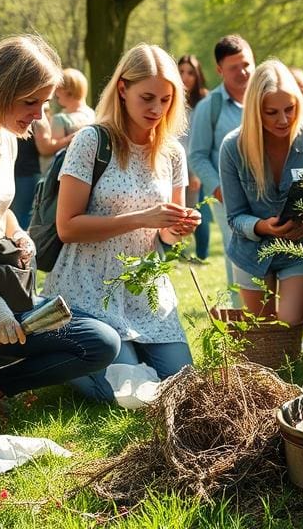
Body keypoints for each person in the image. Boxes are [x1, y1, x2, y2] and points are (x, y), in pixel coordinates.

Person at [0, 36, 120, 468]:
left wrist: (20, 233)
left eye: (45, 103)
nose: (40, 116)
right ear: (1, 88)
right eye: (32, 102)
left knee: (99, 342)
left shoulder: (8, 135)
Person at [44, 44, 200, 403]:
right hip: (88, 288)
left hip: (146, 290)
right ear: (122, 89)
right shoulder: (91, 140)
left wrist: (179, 226)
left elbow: (167, 236)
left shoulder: (173, 151)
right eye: (147, 97)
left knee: (185, 389)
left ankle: (96, 359)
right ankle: (60, 355)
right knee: (132, 396)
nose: (156, 109)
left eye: (165, 100)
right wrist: (141, 219)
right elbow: (67, 226)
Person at [219, 60, 303, 325]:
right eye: (271, 112)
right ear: (255, 111)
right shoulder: (233, 147)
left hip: (299, 247)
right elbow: (234, 216)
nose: (283, 119)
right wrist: (263, 227)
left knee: (288, 326)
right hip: (251, 250)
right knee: (262, 333)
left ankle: (291, 365)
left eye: (290, 109)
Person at [188, 36, 255, 301]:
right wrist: (218, 188)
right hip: (229, 199)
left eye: (247, 64)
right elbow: (197, 155)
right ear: (219, 70)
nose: (243, 72)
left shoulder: (265, 99)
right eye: (234, 67)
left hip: (269, 193)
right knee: (238, 256)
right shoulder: (210, 107)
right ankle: (242, 320)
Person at [178, 54, 212, 261]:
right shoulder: (170, 97)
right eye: (181, 71)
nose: (185, 76)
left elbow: (201, 139)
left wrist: (196, 172)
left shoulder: (203, 101)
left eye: (190, 72)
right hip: (173, 161)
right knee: (178, 209)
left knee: (198, 210)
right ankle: (178, 252)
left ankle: (201, 255)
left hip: (194, 164)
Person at [33, 68, 96, 174]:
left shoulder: (60, 119)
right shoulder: (92, 114)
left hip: (62, 176)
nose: (55, 92)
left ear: (68, 91)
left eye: (58, 89)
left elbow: (48, 150)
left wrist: (70, 138)